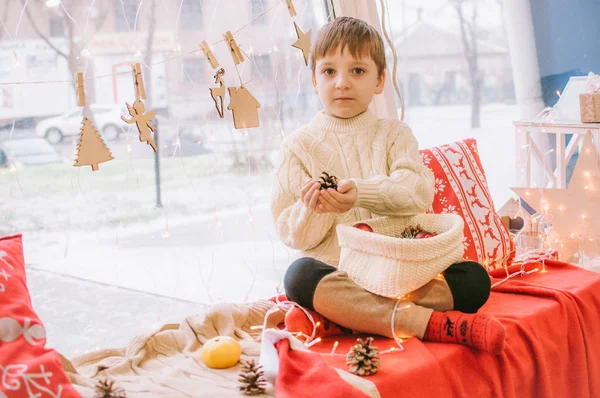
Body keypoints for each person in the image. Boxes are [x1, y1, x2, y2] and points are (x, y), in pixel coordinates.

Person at [270, 17, 505, 354]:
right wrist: (314, 208)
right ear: (313, 80)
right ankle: (420, 322)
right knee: (298, 276)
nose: (342, 83)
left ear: (380, 80)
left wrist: (361, 193)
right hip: (341, 273)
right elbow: (292, 235)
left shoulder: (394, 135)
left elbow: (417, 192)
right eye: (329, 72)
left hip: (401, 271)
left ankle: (353, 316)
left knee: (474, 278)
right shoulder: (297, 146)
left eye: (358, 71)